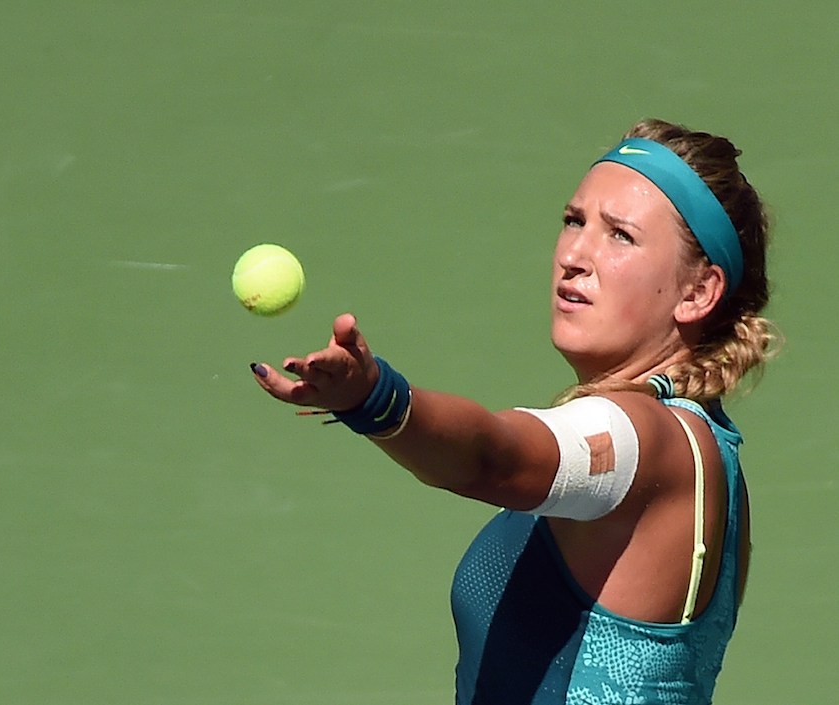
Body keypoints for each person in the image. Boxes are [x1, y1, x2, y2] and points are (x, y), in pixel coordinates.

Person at [250, 118, 776, 705]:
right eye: (575, 221)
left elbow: (493, 458)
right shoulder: (701, 448)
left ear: (698, 292)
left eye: (620, 236)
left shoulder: (646, 438)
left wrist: (377, 399)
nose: (575, 254)